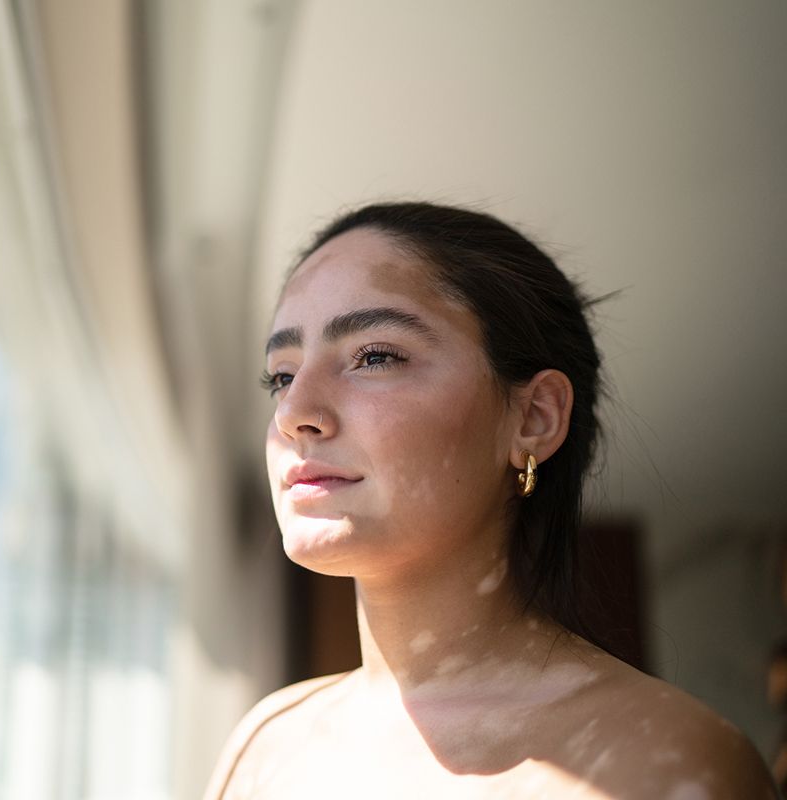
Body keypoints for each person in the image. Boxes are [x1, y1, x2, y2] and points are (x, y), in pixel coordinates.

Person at [204, 202, 776, 798]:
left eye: (374, 356)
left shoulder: (669, 763)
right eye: (282, 375)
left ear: (533, 417)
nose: (294, 414)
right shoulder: (263, 749)